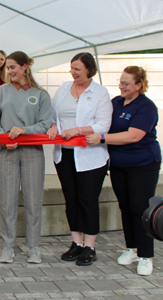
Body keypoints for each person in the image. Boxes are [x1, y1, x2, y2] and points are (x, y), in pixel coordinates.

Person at [86, 66, 160, 275]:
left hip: (143, 164)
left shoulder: (146, 107)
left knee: (140, 208)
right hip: (119, 164)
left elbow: (133, 136)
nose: (121, 86)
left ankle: (146, 255)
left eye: (126, 83)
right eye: (120, 82)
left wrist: (102, 138)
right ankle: (132, 248)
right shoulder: (116, 103)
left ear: (139, 85)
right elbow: (101, 123)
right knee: (125, 207)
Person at [0, 51, 53, 264]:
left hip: (33, 153)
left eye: (13, 67)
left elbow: (45, 124)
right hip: (6, 152)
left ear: (25, 67)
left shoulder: (41, 95)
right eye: (8, 67)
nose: (10, 71)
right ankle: (8, 246)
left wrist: (25, 130)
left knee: (34, 200)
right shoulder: (0, 92)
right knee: (7, 201)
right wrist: (4, 138)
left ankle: (34, 247)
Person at [47, 52, 112, 266]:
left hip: (90, 157)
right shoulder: (64, 87)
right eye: (71, 68)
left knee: (88, 200)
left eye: (77, 69)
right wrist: (54, 125)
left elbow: (103, 126)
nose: (73, 72)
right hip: (64, 154)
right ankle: (76, 243)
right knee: (71, 199)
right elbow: (53, 115)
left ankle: (89, 246)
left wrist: (78, 130)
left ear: (89, 69)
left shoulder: (100, 92)